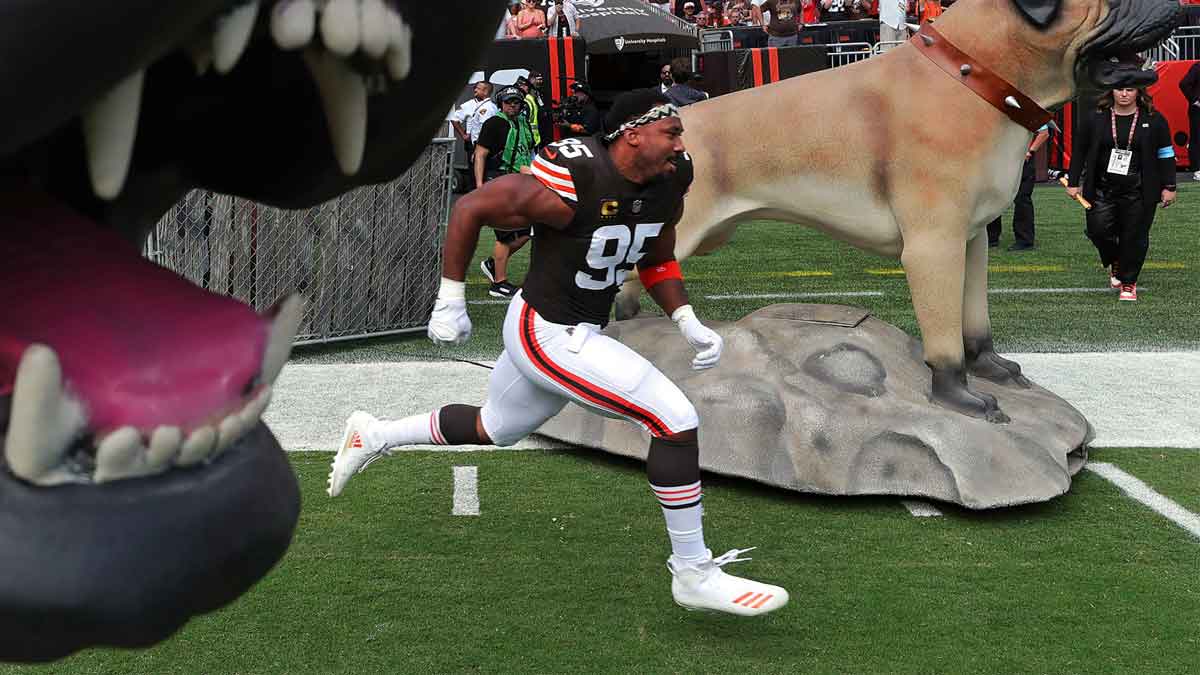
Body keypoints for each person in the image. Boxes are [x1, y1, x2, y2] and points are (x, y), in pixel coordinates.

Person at [328, 89, 790, 617]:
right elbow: (472, 207)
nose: (681, 145)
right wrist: (450, 299)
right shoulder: (576, 177)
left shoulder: (669, 178)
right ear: (632, 134)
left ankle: (376, 433)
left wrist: (686, 320)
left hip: (575, 326)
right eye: (672, 133)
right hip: (547, 329)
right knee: (675, 419)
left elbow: (656, 256)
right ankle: (693, 572)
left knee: (495, 428)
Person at [1066, 87, 1177, 302]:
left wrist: (1169, 186)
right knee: (1097, 230)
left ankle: (1128, 282)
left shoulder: (1154, 119)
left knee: (1134, 237)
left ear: (1138, 92)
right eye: (1119, 89)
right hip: (1101, 188)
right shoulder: (1095, 118)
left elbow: (1166, 153)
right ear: (1111, 92)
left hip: (1140, 190)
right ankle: (1115, 259)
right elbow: (1079, 150)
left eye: (1130, 89)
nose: (1124, 94)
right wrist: (1073, 182)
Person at [474, 86, 536, 298]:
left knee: (527, 231)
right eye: (509, 101)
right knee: (506, 235)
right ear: (501, 103)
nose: (512, 105)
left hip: (518, 182)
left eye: (516, 102)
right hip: (498, 180)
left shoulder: (522, 123)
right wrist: (480, 185)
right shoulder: (494, 123)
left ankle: (493, 264)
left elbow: (526, 152)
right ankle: (498, 284)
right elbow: (480, 154)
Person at [987, 124, 1050, 251]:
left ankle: (1025, 241)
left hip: (1022, 160)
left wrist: (1030, 152)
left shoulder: (1028, 110)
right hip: (999, 159)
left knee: (1022, 199)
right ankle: (991, 238)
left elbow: (1044, 133)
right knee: (993, 196)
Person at [450, 81, 497, 176]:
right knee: (474, 173)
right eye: (475, 88)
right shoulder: (469, 105)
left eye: (478, 88)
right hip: (474, 144)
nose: (475, 90)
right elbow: (454, 119)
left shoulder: (493, 107)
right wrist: (464, 135)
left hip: (488, 145)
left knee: (486, 172)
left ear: (486, 91)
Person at [1179, 60, 1200, 181]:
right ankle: (1197, 169)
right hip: (1197, 111)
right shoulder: (1198, 67)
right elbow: (1183, 83)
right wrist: (1195, 100)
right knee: (1197, 138)